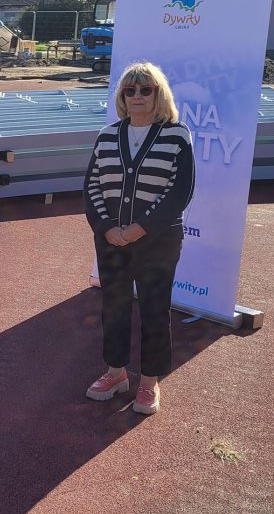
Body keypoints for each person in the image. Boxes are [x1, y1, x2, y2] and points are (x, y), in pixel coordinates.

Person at [83, 62, 195, 415]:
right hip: (111, 240)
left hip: (158, 241)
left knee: (154, 309)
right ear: (121, 97)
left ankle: (149, 381)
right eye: (129, 90)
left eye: (146, 89)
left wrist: (139, 228)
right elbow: (91, 186)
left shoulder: (177, 135)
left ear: (159, 95)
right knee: (113, 307)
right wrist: (107, 228)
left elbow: (180, 191)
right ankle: (116, 373)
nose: (137, 96)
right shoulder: (106, 136)